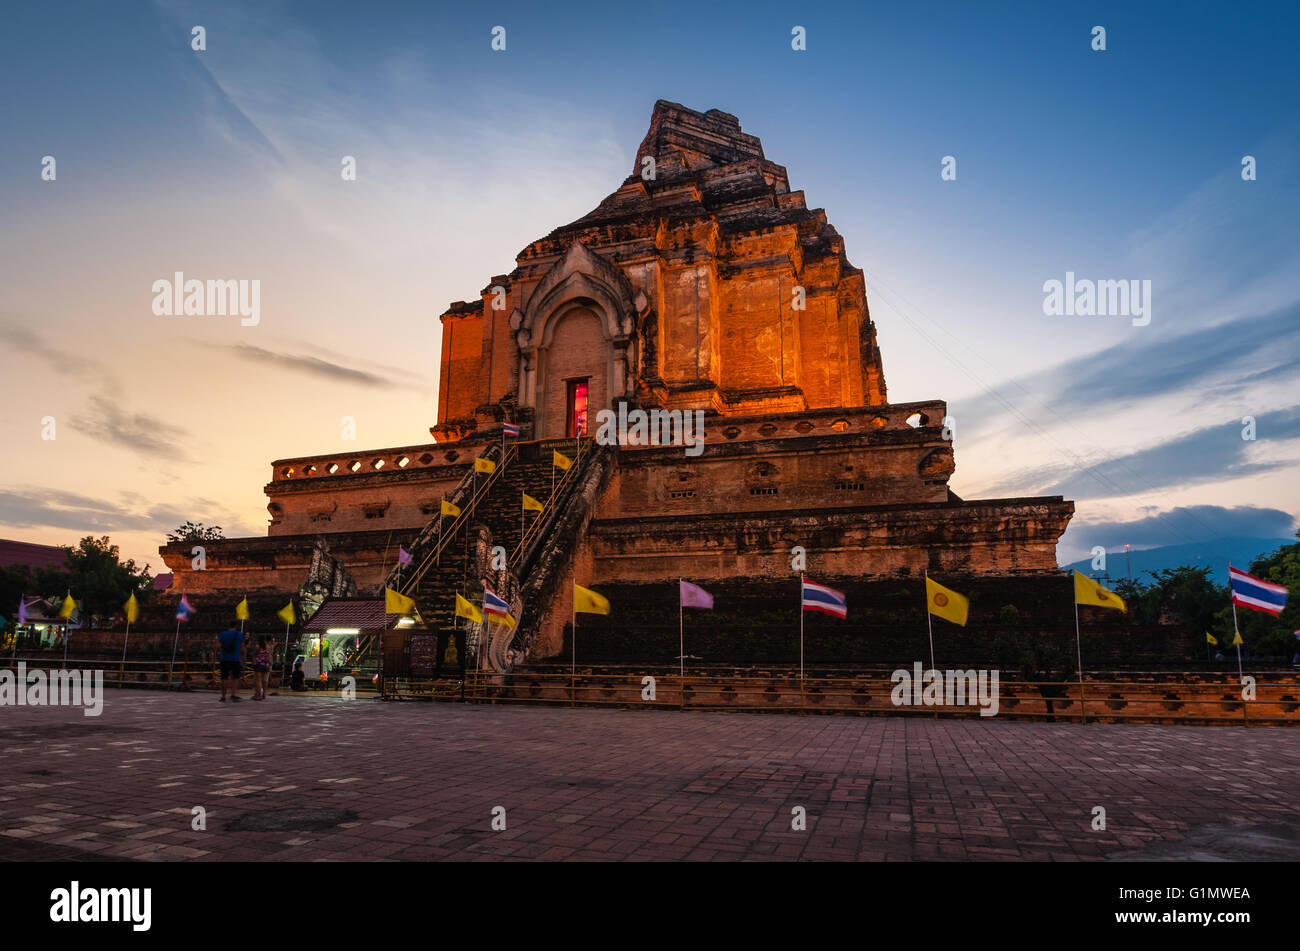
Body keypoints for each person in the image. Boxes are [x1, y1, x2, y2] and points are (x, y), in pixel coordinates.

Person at [217, 626, 244, 702]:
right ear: (235, 626)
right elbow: (241, 646)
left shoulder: (223, 634)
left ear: (228, 626)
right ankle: (233, 694)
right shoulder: (239, 634)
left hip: (224, 658)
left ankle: (223, 696)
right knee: (236, 677)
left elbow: (218, 645)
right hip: (235, 659)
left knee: (224, 677)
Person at [251, 635, 271, 701]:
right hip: (265, 664)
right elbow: (268, 656)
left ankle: (258, 695)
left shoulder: (257, 646)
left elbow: (254, 654)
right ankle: (264, 694)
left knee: (258, 680)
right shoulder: (268, 647)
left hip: (259, 664)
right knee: (264, 680)